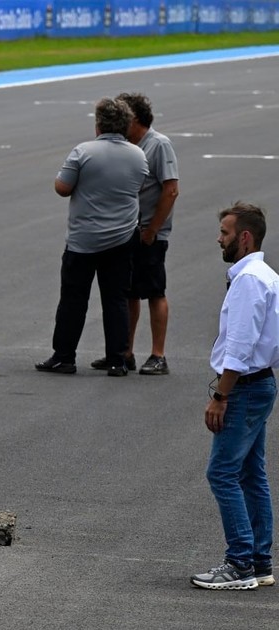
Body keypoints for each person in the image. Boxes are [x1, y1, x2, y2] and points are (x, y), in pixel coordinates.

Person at [191, 202, 278, 590]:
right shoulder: (266, 275)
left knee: (222, 472)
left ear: (244, 238)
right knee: (250, 473)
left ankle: (240, 563)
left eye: (225, 233)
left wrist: (220, 395)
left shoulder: (248, 281)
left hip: (244, 387)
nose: (219, 239)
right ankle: (259, 562)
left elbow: (240, 346)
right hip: (260, 383)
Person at [36, 97, 148, 376]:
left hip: (83, 239)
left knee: (73, 299)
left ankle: (64, 356)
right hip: (122, 236)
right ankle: (118, 359)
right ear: (126, 125)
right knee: (116, 300)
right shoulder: (138, 155)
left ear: (99, 125)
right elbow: (138, 186)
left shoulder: (83, 151)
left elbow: (62, 188)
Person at [107, 92, 179, 376]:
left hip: (150, 231)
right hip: (127, 230)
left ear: (135, 118)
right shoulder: (126, 145)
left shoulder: (159, 144)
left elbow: (170, 189)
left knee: (154, 291)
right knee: (129, 293)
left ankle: (158, 355)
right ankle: (125, 351)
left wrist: (153, 229)